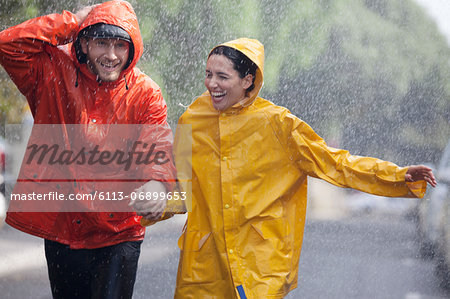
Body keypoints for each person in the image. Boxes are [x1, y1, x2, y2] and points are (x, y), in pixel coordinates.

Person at [172, 38, 437, 299]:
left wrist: (398, 175)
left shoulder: (279, 124)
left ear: (248, 80)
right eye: (208, 74)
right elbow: (177, 186)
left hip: (258, 267)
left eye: (222, 76)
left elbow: (335, 163)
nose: (212, 84)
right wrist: (140, 206)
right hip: (203, 266)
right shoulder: (192, 119)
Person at [0, 1, 175, 298]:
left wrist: (158, 183)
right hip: (63, 227)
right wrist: (72, 21)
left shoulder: (145, 92)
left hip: (119, 230)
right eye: (101, 43)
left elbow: (157, 143)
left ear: (133, 48)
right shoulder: (52, 70)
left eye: (120, 45)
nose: (110, 55)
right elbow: (7, 45)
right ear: (84, 41)